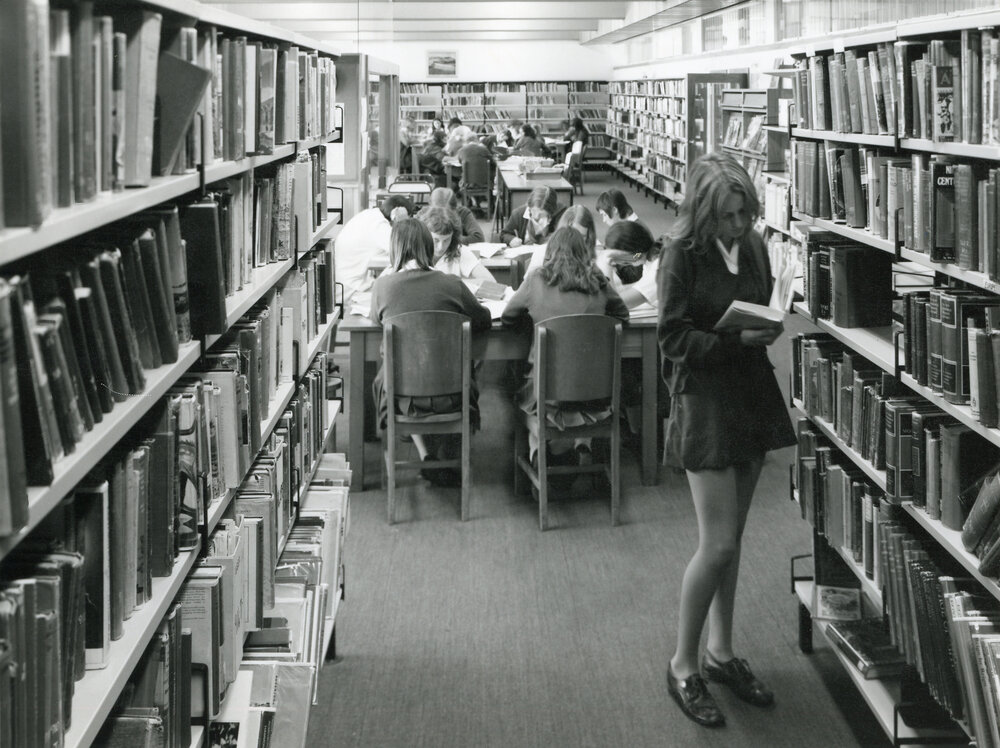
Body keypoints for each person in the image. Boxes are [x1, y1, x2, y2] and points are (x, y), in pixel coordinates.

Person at [659, 152, 796, 728]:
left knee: (733, 541)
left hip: (751, 395)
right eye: (728, 216)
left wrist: (768, 326)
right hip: (705, 402)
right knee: (715, 545)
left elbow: (761, 305)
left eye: (745, 214)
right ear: (703, 212)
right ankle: (683, 664)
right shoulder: (679, 255)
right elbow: (671, 337)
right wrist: (735, 341)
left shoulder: (758, 247)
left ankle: (721, 651)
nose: (739, 225)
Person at [371, 218, 491, 486]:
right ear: (428, 246)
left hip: (402, 397)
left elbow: (376, 321)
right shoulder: (452, 284)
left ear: (395, 249)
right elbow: (482, 320)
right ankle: (448, 455)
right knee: (463, 366)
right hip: (452, 395)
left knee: (390, 368)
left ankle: (427, 456)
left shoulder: (383, 287)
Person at [501, 227, 629, 465]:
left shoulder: (536, 279)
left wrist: (531, 325)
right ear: (584, 253)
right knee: (581, 399)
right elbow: (622, 317)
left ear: (551, 252)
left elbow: (508, 317)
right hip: (596, 388)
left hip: (546, 389)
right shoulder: (598, 279)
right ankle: (582, 445)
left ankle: (537, 449)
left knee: (520, 397)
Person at [334, 195, 414, 305]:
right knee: (403, 296)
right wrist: (401, 223)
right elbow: (406, 251)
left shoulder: (370, 215)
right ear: (395, 213)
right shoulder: (379, 225)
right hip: (352, 288)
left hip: (346, 282)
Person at [416, 207, 494, 281]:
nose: (441, 247)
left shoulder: (460, 251)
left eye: (446, 240)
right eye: (436, 240)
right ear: (424, 235)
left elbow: (491, 282)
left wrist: (456, 284)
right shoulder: (413, 252)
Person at [599, 220, 660, 313]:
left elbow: (614, 304)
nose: (617, 263)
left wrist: (607, 261)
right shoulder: (647, 259)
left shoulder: (658, 267)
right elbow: (639, 286)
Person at [524, 204, 597, 275]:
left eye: (581, 237)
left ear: (589, 237)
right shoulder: (542, 253)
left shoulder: (596, 259)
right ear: (561, 233)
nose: (576, 241)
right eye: (571, 235)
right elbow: (529, 284)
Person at [500, 186, 566, 247]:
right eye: (533, 211)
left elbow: (565, 238)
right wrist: (511, 239)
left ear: (551, 212)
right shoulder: (518, 214)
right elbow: (504, 234)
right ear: (529, 206)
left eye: (541, 214)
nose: (536, 216)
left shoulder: (561, 214)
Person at [456, 131, 494, 213]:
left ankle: (469, 207)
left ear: (466, 141)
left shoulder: (461, 150)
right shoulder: (483, 149)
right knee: (488, 178)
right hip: (484, 183)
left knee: (461, 180)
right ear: (476, 139)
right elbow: (492, 162)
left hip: (467, 183)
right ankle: (488, 208)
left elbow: (460, 162)